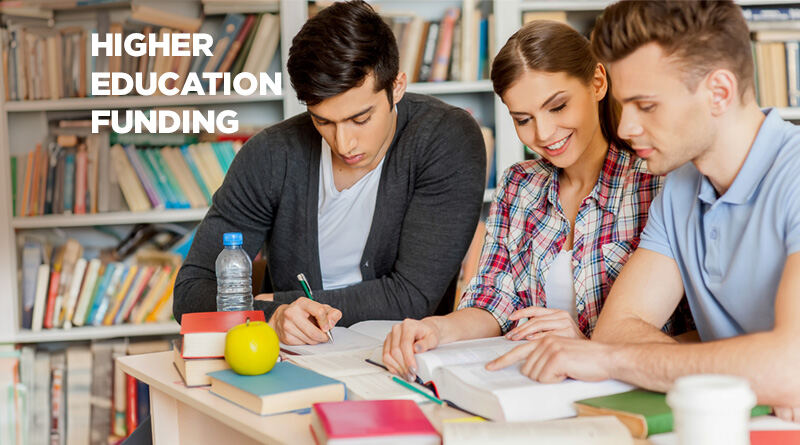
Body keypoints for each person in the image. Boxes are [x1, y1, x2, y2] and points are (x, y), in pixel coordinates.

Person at [487, 0, 800, 422]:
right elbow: (617, 330)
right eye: (623, 104)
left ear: (719, 92)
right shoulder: (680, 188)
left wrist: (616, 360)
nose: (624, 128)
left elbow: (787, 367)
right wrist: (753, 375)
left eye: (646, 106)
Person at [172, 0, 486, 345]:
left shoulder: (445, 138)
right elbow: (190, 295)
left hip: (402, 359)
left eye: (360, 118)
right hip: (292, 359)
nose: (344, 143)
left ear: (396, 86)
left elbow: (411, 297)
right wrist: (272, 318)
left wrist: (275, 304)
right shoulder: (270, 154)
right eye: (323, 121)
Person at [381, 20, 679, 380]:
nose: (543, 134)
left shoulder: (655, 183)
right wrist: (435, 330)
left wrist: (586, 343)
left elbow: (688, 336)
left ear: (598, 83)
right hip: (533, 384)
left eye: (557, 107)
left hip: (629, 387)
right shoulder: (520, 185)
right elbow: (493, 301)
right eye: (523, 119)